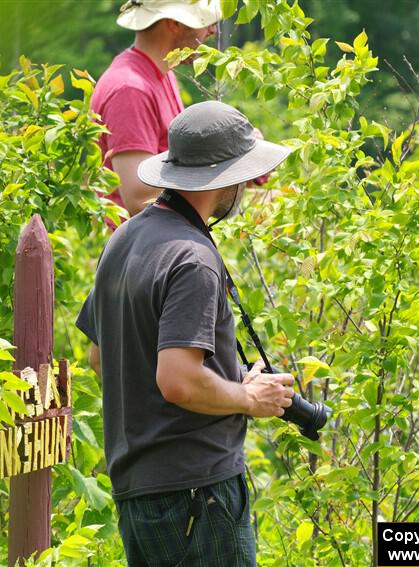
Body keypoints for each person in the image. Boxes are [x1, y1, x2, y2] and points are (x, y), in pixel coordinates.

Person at [76, 101, 295, 566]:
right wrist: (248, 398)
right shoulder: (192, 258)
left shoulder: (125, 238)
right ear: (227, 179)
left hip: (140, 492)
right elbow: (177, 380)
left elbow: (100, 358)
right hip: (197, 495)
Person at [93, 0, 220, 218]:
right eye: (204, 21)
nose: (212, 30)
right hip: (141, 247)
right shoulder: (130, 89)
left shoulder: (161, 74)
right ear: (173, 23)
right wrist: (219, 166)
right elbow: (139, 199)